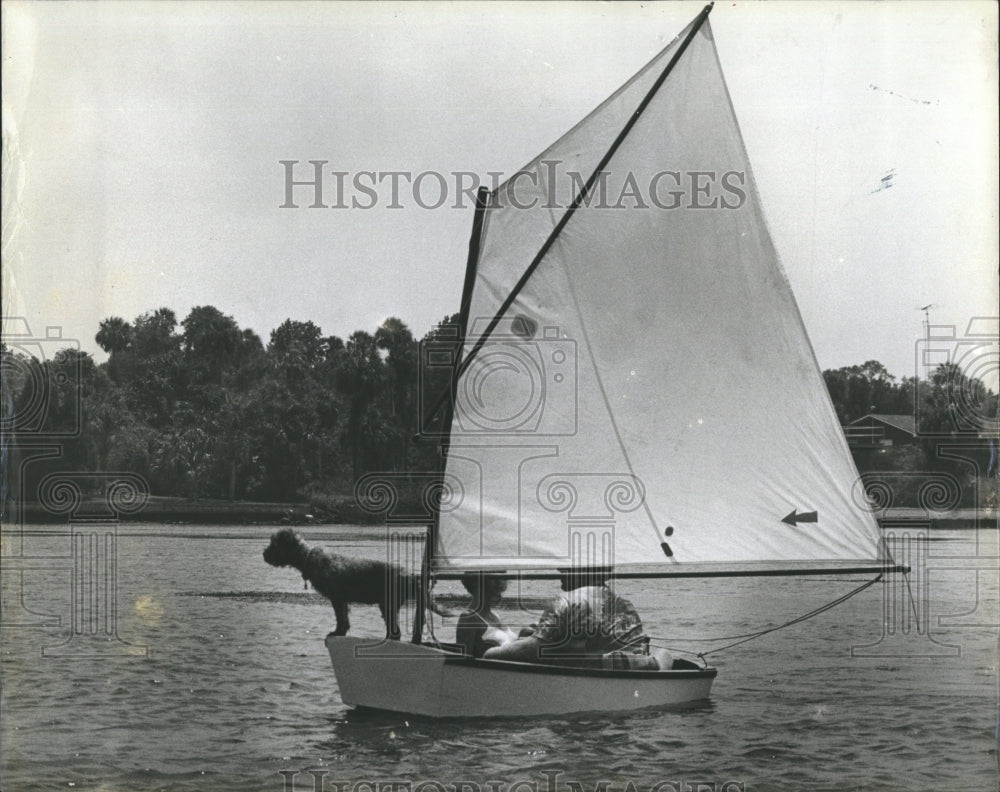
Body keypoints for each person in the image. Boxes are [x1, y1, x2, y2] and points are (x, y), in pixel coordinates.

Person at [483, 571, 668, 669]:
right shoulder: (623, 603)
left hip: (599, 672)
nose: (560, 574)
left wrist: (492, 653)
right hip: (639, 668)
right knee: (665, 654)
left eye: (565, 569)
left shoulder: (565, 600)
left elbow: (536, 649)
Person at [455, 572, 517, 658]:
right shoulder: (469, 617)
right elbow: (463, 662)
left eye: (499, 592)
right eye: (492, 591)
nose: (499, 596)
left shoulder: (495, 615)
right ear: (476, 585)